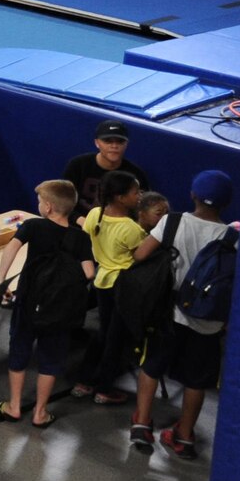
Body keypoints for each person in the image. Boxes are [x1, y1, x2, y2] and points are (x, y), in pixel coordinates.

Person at [130, 169, 236, 459]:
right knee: (197, 380)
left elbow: (140, 254)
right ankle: (184, 436)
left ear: (192, 195)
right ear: (227, 203)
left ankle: (141, 422)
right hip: (208, 322)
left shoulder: (172, 221)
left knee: (151, 366)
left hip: (169, 313)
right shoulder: (232, 237)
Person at [0, 180, 93, 428]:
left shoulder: (33, 226)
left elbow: (11, 249)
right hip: (59, 310)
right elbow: (90, 273)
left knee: (19, 349)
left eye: (39, 201)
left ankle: (14, 406)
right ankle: (40, 412)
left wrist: (2, 281)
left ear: (48, 207)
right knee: (51, 358)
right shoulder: (80, 238)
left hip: (28, 301)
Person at [73, 169, 155, 403]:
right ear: (120, 197)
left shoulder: (94, 215)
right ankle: (104, 388)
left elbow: (87, 241)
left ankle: (84, 380)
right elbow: (142, 256)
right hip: (124, 286)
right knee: (116, 338)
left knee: (104, 333)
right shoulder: (131, 229)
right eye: (135, 192)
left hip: (102, 282)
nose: (139, 196)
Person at [62, 121, 149, 217]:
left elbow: (143, 209)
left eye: (120, 141)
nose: (114, 146)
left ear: (126, 144)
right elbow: (62, 201)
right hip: (78, 226)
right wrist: (80, 220)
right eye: (108, 141)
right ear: (97, 143)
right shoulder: (78, 165)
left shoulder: (136, 174)